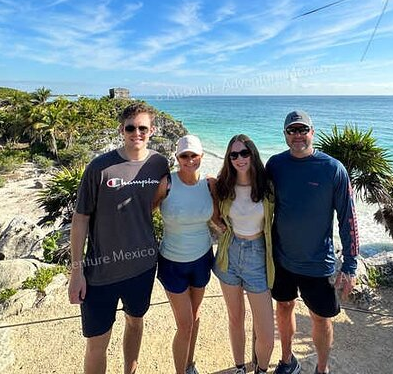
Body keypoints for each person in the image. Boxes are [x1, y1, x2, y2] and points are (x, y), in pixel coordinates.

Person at [68, 102, 170, 374]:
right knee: (97, 343)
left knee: (136, 322)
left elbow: (158, 199)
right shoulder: (99, 168)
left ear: (152, 131)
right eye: (131, 127)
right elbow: (80, 219)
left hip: (143, 266)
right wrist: (76, 272)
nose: (137, 132)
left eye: (143, 128)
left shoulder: (159, 163)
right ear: (121, 130)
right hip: (100, 272)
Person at [266, 110, 359, 374]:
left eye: (302, 130)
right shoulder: (275, 165)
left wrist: (351, 266)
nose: (297, 136)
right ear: (285, 135)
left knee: (321, 318)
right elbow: (256, 199)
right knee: (283, 307)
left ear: (312, 132)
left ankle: (322, 368)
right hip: (283, 259)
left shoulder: (333, 169)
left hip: (319, 264)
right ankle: (287, 360)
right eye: (291, 131)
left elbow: (348, 218)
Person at [212, 134, 275, 374]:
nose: (240, 159)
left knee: (266, 333)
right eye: (234, 154)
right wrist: (218, 224)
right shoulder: (223, 185)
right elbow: (212, 211)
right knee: (235, 319)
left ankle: (261, 369)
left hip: (258, 256)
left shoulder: (267, 186)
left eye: (244, 153)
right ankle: (239, 368)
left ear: (253, 154)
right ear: (229, 158)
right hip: (229, 254)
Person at [154, 134, 216, 374]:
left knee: (196, 315)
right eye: (184, 155)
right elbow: (142, 214)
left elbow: (219, 217)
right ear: (177, 157)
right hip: (172, 262)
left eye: (194, 155)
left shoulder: (210, 184)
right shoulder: (166, 183)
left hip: (202, 258)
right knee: (185, 324)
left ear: (202, 156)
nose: (189, 160)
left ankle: (189, 364)